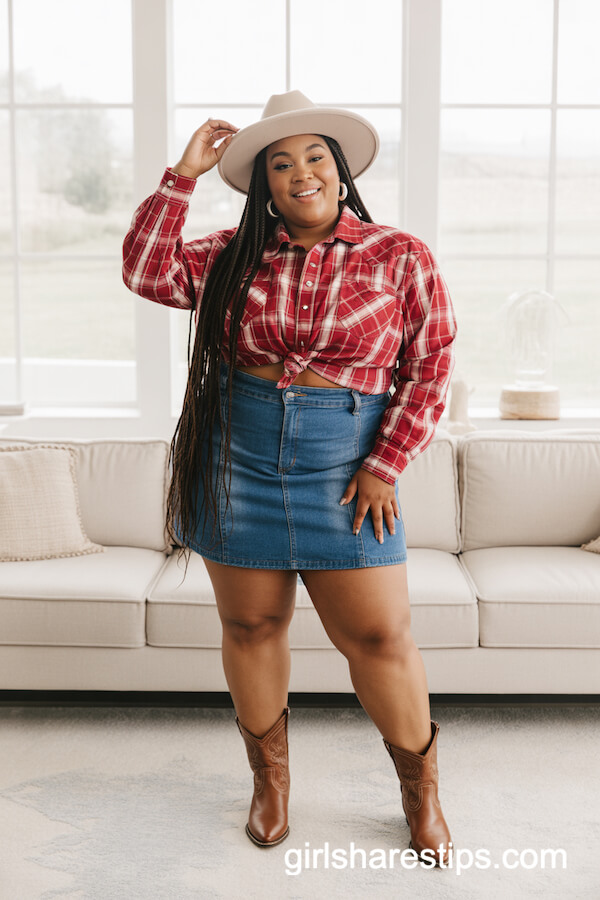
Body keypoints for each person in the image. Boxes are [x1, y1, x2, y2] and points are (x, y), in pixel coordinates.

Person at [123, 90, 457, 866]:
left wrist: (384, 465)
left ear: (340, 173)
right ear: (262, 184)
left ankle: (421, 790)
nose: (299, 172)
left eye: (314, 157)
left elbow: (430, 366)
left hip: (347, 463)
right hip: (237, 452)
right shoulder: (227, 257)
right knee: (250, 627)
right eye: (279, 163)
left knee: (379, 636)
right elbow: (145, 272)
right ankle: (269, 782)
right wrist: (181, 176)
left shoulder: (399, 254)